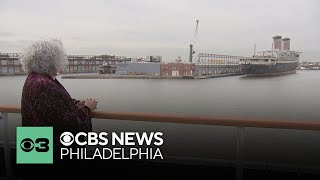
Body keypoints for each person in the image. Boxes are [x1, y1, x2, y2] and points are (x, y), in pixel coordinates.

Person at [18, 39, 98, 178]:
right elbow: (70, 124)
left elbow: (54, 105)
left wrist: (77, 103)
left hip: (35, 142)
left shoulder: (34, 79)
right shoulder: (44, 84)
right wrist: (87, 108)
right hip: (51, 153)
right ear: (52, 60)